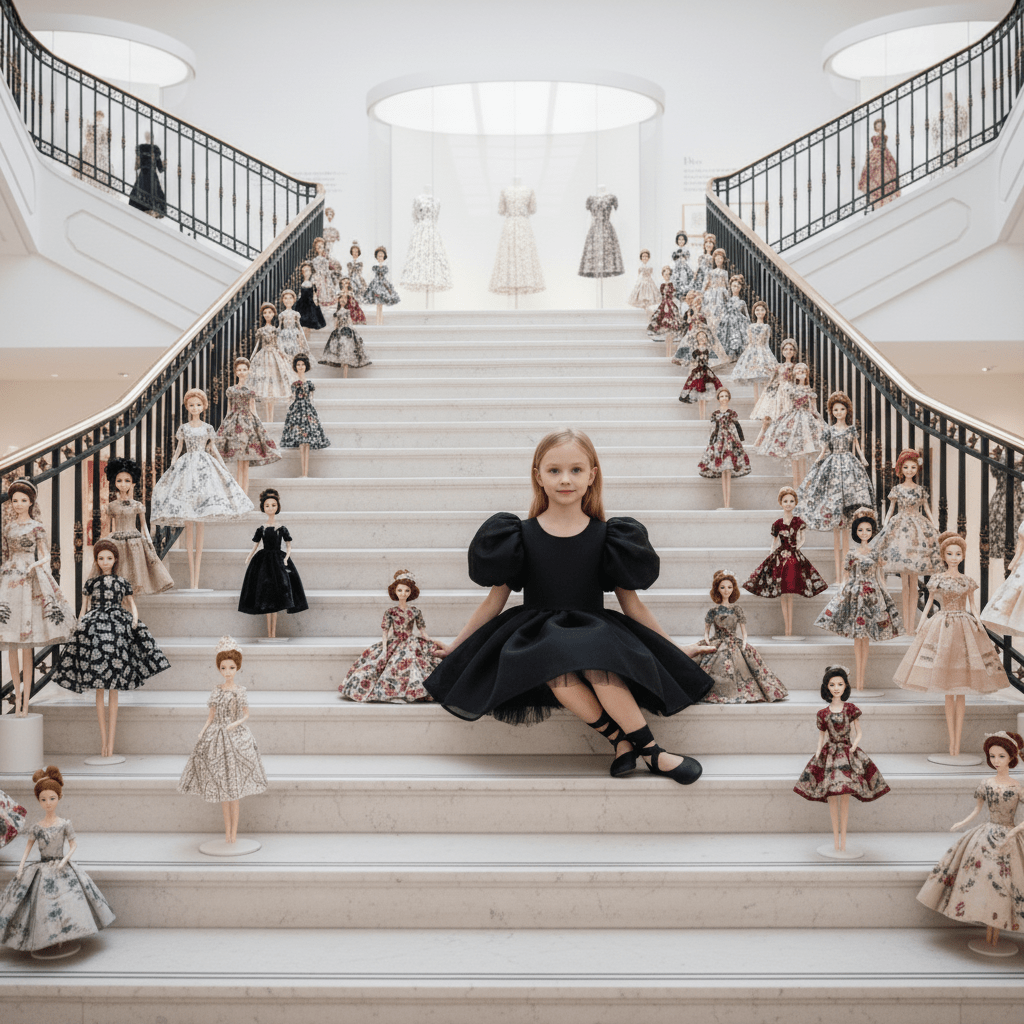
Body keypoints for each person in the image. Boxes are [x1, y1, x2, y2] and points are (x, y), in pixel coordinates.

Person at [424, 428, 716, 785]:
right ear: (538, 477)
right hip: (537, 633)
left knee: (595, 656)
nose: (565, 479)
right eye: (554, 470)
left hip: (594, 629)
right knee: (553, 655)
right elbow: (494, 601)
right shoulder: (517, 535)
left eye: (576, 470)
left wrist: (673, 649)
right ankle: (634, 744)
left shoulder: (609, 536)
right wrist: (457, 646)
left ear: (592, 475)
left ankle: (639, 747)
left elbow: (633, 605)